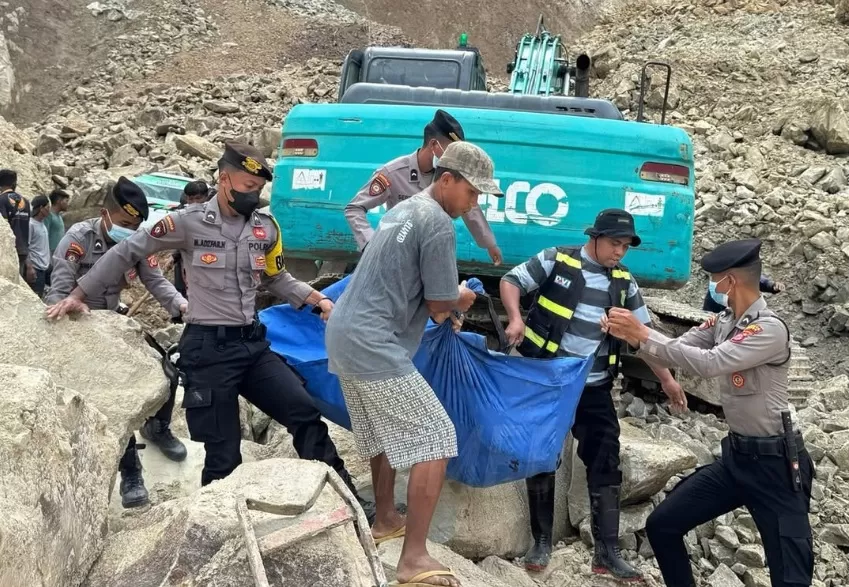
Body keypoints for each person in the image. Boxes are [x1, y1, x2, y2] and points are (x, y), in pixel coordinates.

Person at [46, 142, 378, 521]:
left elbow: (276, 277)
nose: (253, 194)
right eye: (247, 185)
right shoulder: (185, 223)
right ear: (224, 180)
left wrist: (319, 301)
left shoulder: (265, 228)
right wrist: (78, 293)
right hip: (208, 352)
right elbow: (126, 253)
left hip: (252, 347)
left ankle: (349, 502)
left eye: (258, 187)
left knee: (303, 413)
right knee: (223, 455)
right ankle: (218, 531)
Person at [326, 141, 501, 587]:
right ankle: (414, 558)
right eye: (473, 193)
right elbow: (441, 304)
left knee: (384, 432)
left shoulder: (403, 210)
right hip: (373, 342)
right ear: (447, 179)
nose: (474, 203)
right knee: (437, 437)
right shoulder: (438, 222)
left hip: (344, 333)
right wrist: (463, 297)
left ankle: (385, 517)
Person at [604, 238, 813, 587]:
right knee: (663, 524)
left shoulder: (769, 329)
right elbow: (677, 350)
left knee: (791, 577)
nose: (714, 287)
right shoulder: (723, 320)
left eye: (717, 280)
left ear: (730, 282)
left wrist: (642, 335)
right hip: (739, 460)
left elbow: (710, 364)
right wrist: (632, 336)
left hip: (777, 467)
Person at [500, 208, 686, 579]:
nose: (619, 252)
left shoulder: (623, 282)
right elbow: (511, 280)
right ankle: (541, 542)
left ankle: (606, 552)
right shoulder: (557, 259)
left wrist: (667, 379)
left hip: (595, 385)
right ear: (595, 237)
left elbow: (643, 335)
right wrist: (516, 317)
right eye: (614, 244)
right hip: (549, 380)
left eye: (625, 246)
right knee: (542, 456)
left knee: (605, 461)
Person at [45, 177, 190, 508]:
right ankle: (130, 472)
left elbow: (155, 280)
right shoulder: (78, 239)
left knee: (167, 372)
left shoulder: (138, 242)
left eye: (136, 224)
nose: (130, 229)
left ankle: (157, 428)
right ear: (104, 214)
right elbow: (59, 289)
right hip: (79, 326)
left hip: (114, 326)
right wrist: (67, 323)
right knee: (113, 400)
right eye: (125, 223)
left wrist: (180, 304)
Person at [344, 109, 503, 265]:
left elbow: (469, 206)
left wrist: (489, 243)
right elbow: (354, 208)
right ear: (434, 145)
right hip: (397, 259)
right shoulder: (393, 173)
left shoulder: (447, 177)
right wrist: (371, 246)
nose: (454, 159)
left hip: (429, 258)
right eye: (451, 152)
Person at [172, 180, 213, 300]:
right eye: (190, 199)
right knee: (181, 286)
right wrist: (174, 255)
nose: (194, 203)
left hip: (208, 258)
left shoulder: (215, 213)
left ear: (206, 197)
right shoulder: (182, 213)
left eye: (198, 198)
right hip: (186, 257)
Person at [0, 169, 31, 278]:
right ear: (14, 183)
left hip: (9, 251)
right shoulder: (25, 201)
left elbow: (3, 225)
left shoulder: (1, 200)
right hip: (23, 249)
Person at [703, 274, 784, 313]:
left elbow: (756, 279)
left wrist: (771, 285)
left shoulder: (741, 273)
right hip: (711, 312)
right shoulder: (716, 279)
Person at [43, 189, 71, 288]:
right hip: (50, 254)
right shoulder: (49, 216)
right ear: (59, 201)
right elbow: (44, 235)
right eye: (66, 201)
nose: (68, 204)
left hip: (58, 254)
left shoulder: (59, 216)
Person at [26, 195, 51, 297]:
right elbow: (25, 246)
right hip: (36, 268)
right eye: (48, 207)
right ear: (41, 208)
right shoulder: (30, 224)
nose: (49, 210)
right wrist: (29, 268)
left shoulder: (42, 224)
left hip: (44, 267)